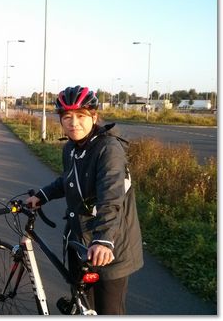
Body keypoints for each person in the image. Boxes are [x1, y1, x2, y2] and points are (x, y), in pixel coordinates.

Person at [26, 85, 143, 315]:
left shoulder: (108, 149)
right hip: (81, 241)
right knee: (84, 307)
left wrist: (104, 240)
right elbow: (67, 180)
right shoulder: (71, 148)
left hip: (111, 246)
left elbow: (111, 196)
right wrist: (42, 196)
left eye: (81, 116)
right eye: (67, 117)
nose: (73, 123)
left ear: (94, 117)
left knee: (109, 311)